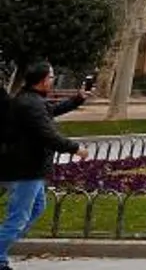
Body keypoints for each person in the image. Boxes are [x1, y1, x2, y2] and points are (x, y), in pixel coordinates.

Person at [0, 61, 90, 270]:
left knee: (37, 208)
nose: (52, 80)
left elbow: (50, 111)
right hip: (24, 170)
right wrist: (75, 148)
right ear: (42, 81)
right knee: (18, 219)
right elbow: (47, 134)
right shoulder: (29, 104)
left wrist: (77, 100)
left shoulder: (32, 100)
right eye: (51, 77)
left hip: (30, 169)